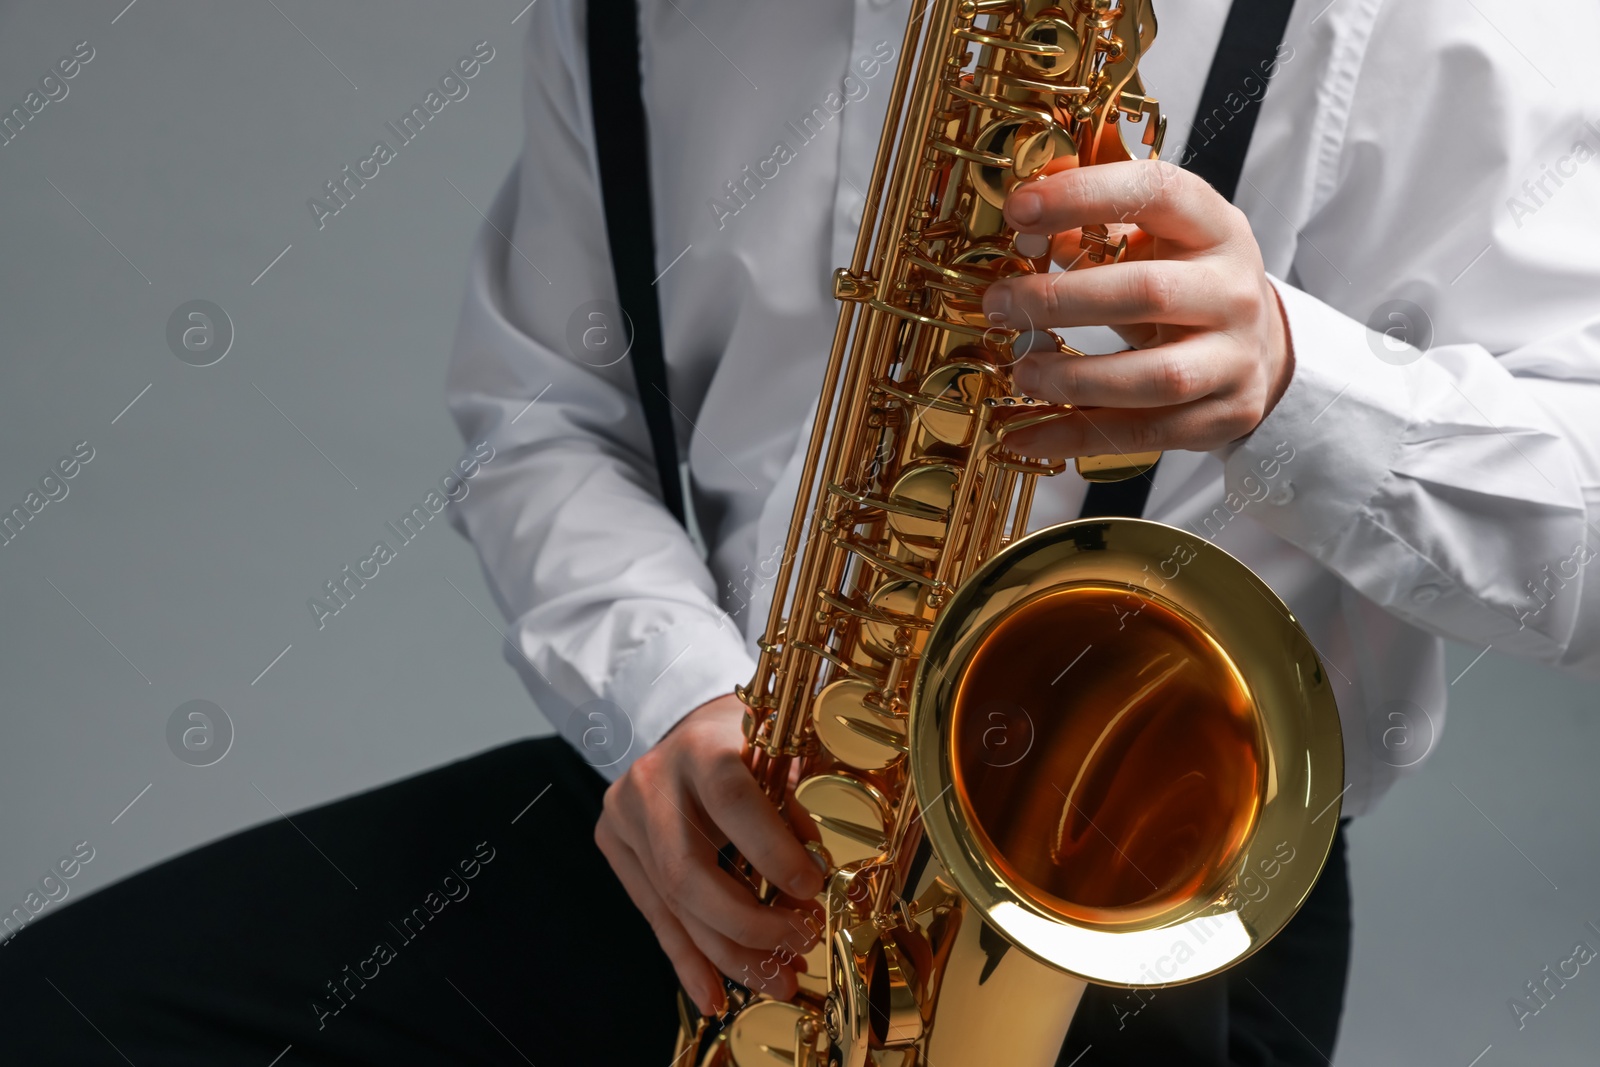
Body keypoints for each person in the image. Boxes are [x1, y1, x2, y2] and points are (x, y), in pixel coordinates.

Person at [2, 1, 1596, 1064]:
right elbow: (540, 413)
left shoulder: (1453, 26)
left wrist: (1295, 384)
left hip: (1136, 899)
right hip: (723, 839)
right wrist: (671, 705)